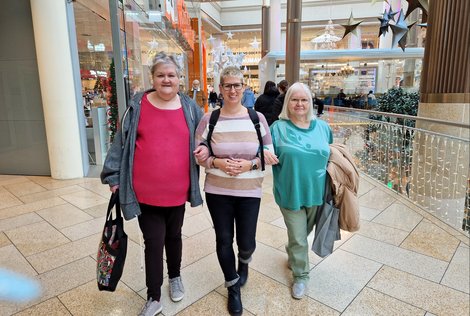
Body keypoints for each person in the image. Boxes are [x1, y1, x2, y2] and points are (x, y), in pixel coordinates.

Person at [101, 52, 206, 316]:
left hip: (178, 191)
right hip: (145, 193)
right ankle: (154, 296)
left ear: (180, 79)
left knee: (174, 236)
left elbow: (206, 137)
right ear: (153, 78)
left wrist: (205, 150)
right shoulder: (138, 106)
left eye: (172, 75)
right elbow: (120, 144)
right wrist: (113, 177)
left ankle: (175, 276)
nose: (166, 80)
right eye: (161, 75)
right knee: (153, 241)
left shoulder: (190, 108)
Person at [194, 66, 278, 316]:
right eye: (227, 85)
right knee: (223, 239)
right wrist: (214, 162)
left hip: (249, 190)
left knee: (247, 242)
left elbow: (270, 155)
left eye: (237, 85)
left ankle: (244, 261)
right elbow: (200, 151)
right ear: (220, 89)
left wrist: (248, 164)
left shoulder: (257, 118)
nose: (232, 90)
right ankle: (232, 287)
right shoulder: (210, 119)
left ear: (244, 88)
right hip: (217, 190)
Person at [270, 82, 333, 300]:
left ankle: (293, 252)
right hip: (289, 191)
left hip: (317, 192)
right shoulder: (277, 128)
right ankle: (301, 276)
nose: (299, 104)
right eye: (294, 99)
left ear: (310, 103)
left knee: (303, 233)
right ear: (288, 102)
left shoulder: (323, 128)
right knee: (298, 237)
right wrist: (264, 154)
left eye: (304, 100)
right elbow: (265, 151)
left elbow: (330, 153)